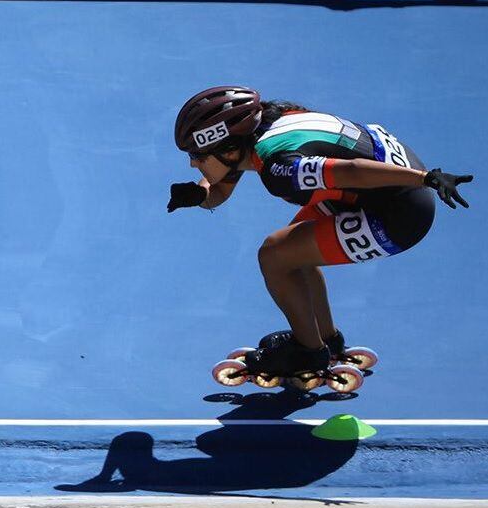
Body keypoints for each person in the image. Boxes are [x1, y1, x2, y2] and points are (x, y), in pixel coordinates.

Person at [168, 86, 472, 375]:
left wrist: (426, 179)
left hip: (399, 212)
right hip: (382, 183)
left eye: (198, 156)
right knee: (294, 248)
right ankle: (327, 339)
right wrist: (199, 195)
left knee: (274, 256)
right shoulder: (266, 121)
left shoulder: (279, 168)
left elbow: (351, 171)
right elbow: (219, 186)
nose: (194, 165)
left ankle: (308, 352)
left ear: (230, 150)